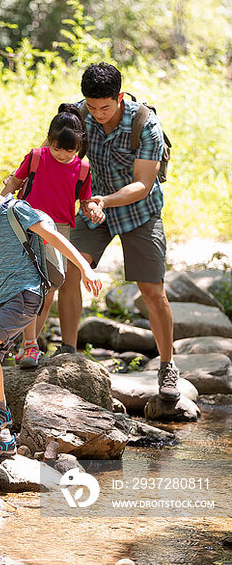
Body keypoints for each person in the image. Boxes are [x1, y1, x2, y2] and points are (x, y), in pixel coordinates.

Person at [0, 160, 102, 458]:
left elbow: (53, 238)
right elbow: (0, 246)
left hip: (25, 295)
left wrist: (85, 269)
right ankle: (2, 439)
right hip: (1, 298)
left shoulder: (18, 209)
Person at [69, 62, 179, 400]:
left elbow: (144, 184)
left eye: (105, 106)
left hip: (139, 211)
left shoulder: (146, 124)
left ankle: (167, 366)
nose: (98, 113)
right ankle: (68, 352)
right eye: (92, 106)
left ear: (119, 97)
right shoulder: (76, 116)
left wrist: (104, 200)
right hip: (92, 208)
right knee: (71, 270)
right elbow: (60, 163)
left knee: (151, 291)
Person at [2, 106, 105, 368]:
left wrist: (93, 209)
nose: (62, 154)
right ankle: (25, 344)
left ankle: (30, 344)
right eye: (58, 148)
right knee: (27, 285)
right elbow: (15, 182)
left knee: (48, 291)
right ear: (50, 139)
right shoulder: (37, 157)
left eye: (69, 150)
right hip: (27, 224)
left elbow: (85, 200)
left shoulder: (82, 168)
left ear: (79, 145)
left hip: (59, 230)